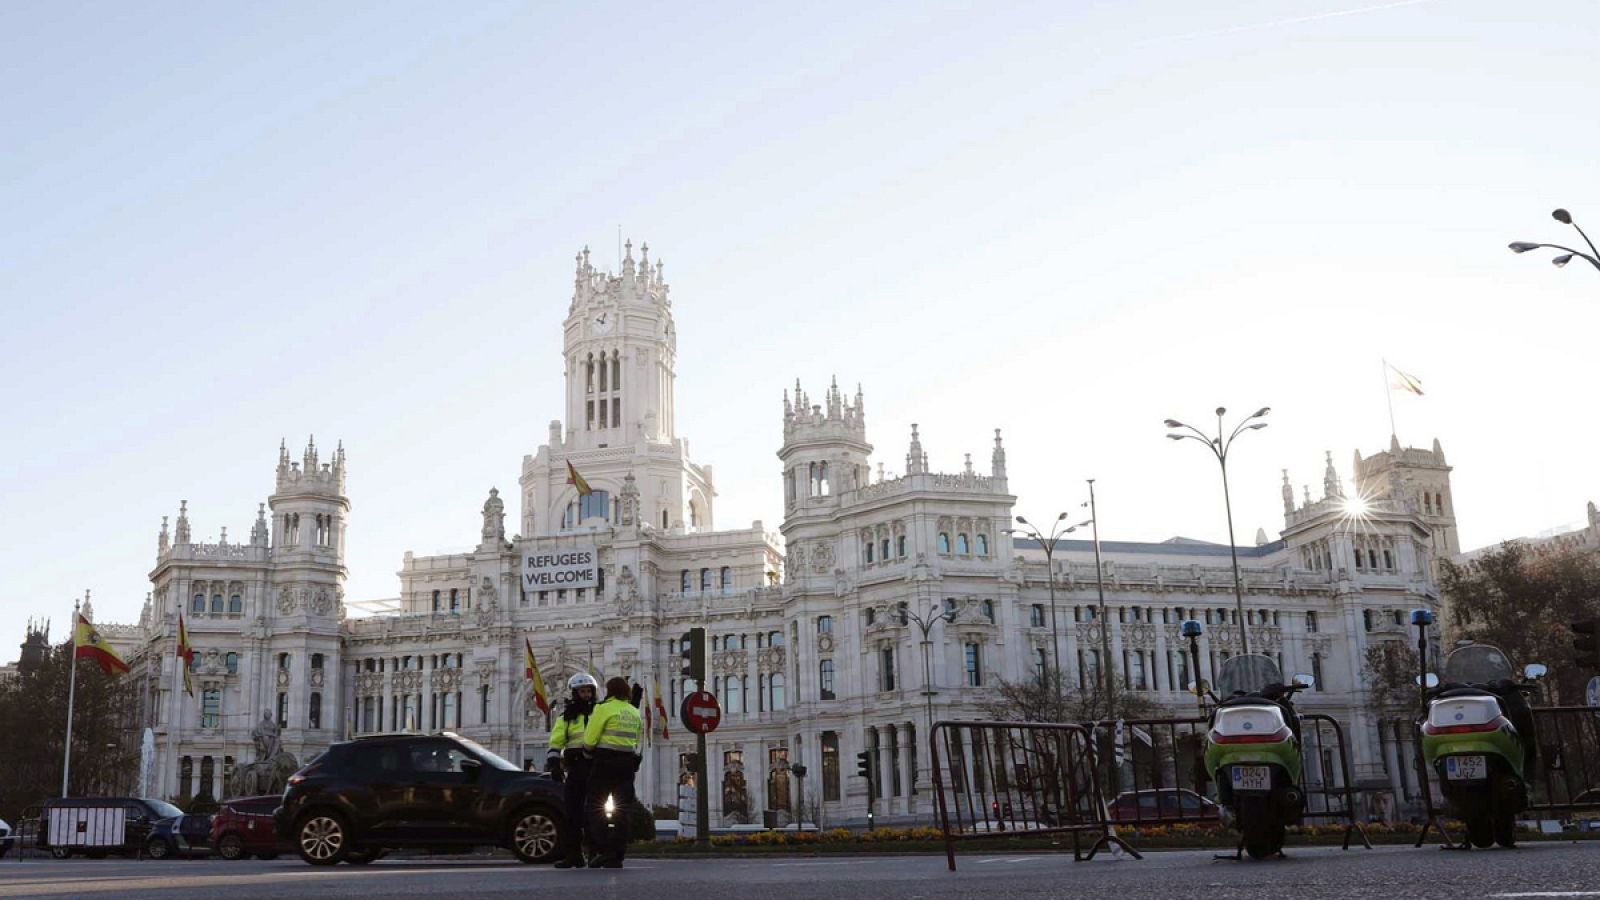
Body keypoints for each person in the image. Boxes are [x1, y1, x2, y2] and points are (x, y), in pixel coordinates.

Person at [581, 676, 644, 868]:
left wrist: (586, 754)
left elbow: (590, 739)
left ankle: (603, 849)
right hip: (627, 764)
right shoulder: (634, 711)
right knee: (623, 810)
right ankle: (617, 854)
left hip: (604, 762)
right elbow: (637, 739)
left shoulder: (603, 708)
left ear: (609, 691)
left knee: (595, 806)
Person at [547, 673, 599, 869]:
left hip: (595, 768)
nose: (586, 695)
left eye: (588, 691)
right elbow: (556, 741)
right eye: (582, 691)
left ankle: (596, 853)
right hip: (575, 767)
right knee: (572, 812)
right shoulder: (566, 717)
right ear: (575, 693)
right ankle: (573, 855)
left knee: (596, 812)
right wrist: (553, 764)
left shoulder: (599, 713)